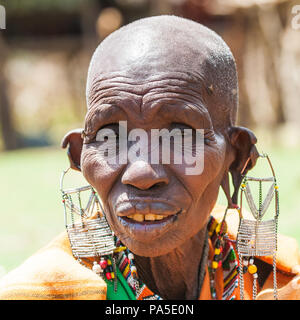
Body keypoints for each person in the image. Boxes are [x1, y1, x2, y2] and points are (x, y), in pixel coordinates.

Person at [0, 15, 299, 300]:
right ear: (79, 156)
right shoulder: (39, 289)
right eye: (111, 135)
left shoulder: (283, 278)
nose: (141, 174)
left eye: (181, 134)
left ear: (237, 158)